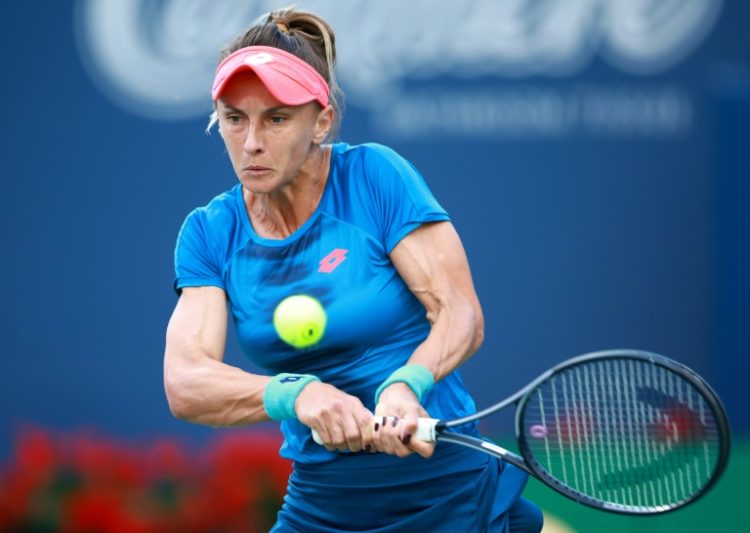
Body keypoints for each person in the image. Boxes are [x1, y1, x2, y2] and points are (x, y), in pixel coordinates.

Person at [164, 7, 543, 532]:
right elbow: (186, 383)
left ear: (321, 121)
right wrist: (296, 394)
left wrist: (406, 385)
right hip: (321, 506)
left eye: (276, 118)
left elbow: (459, 313)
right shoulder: (209, 232)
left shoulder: (373, 176)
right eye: (234, 117)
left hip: (448, 497)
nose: (251, 141)